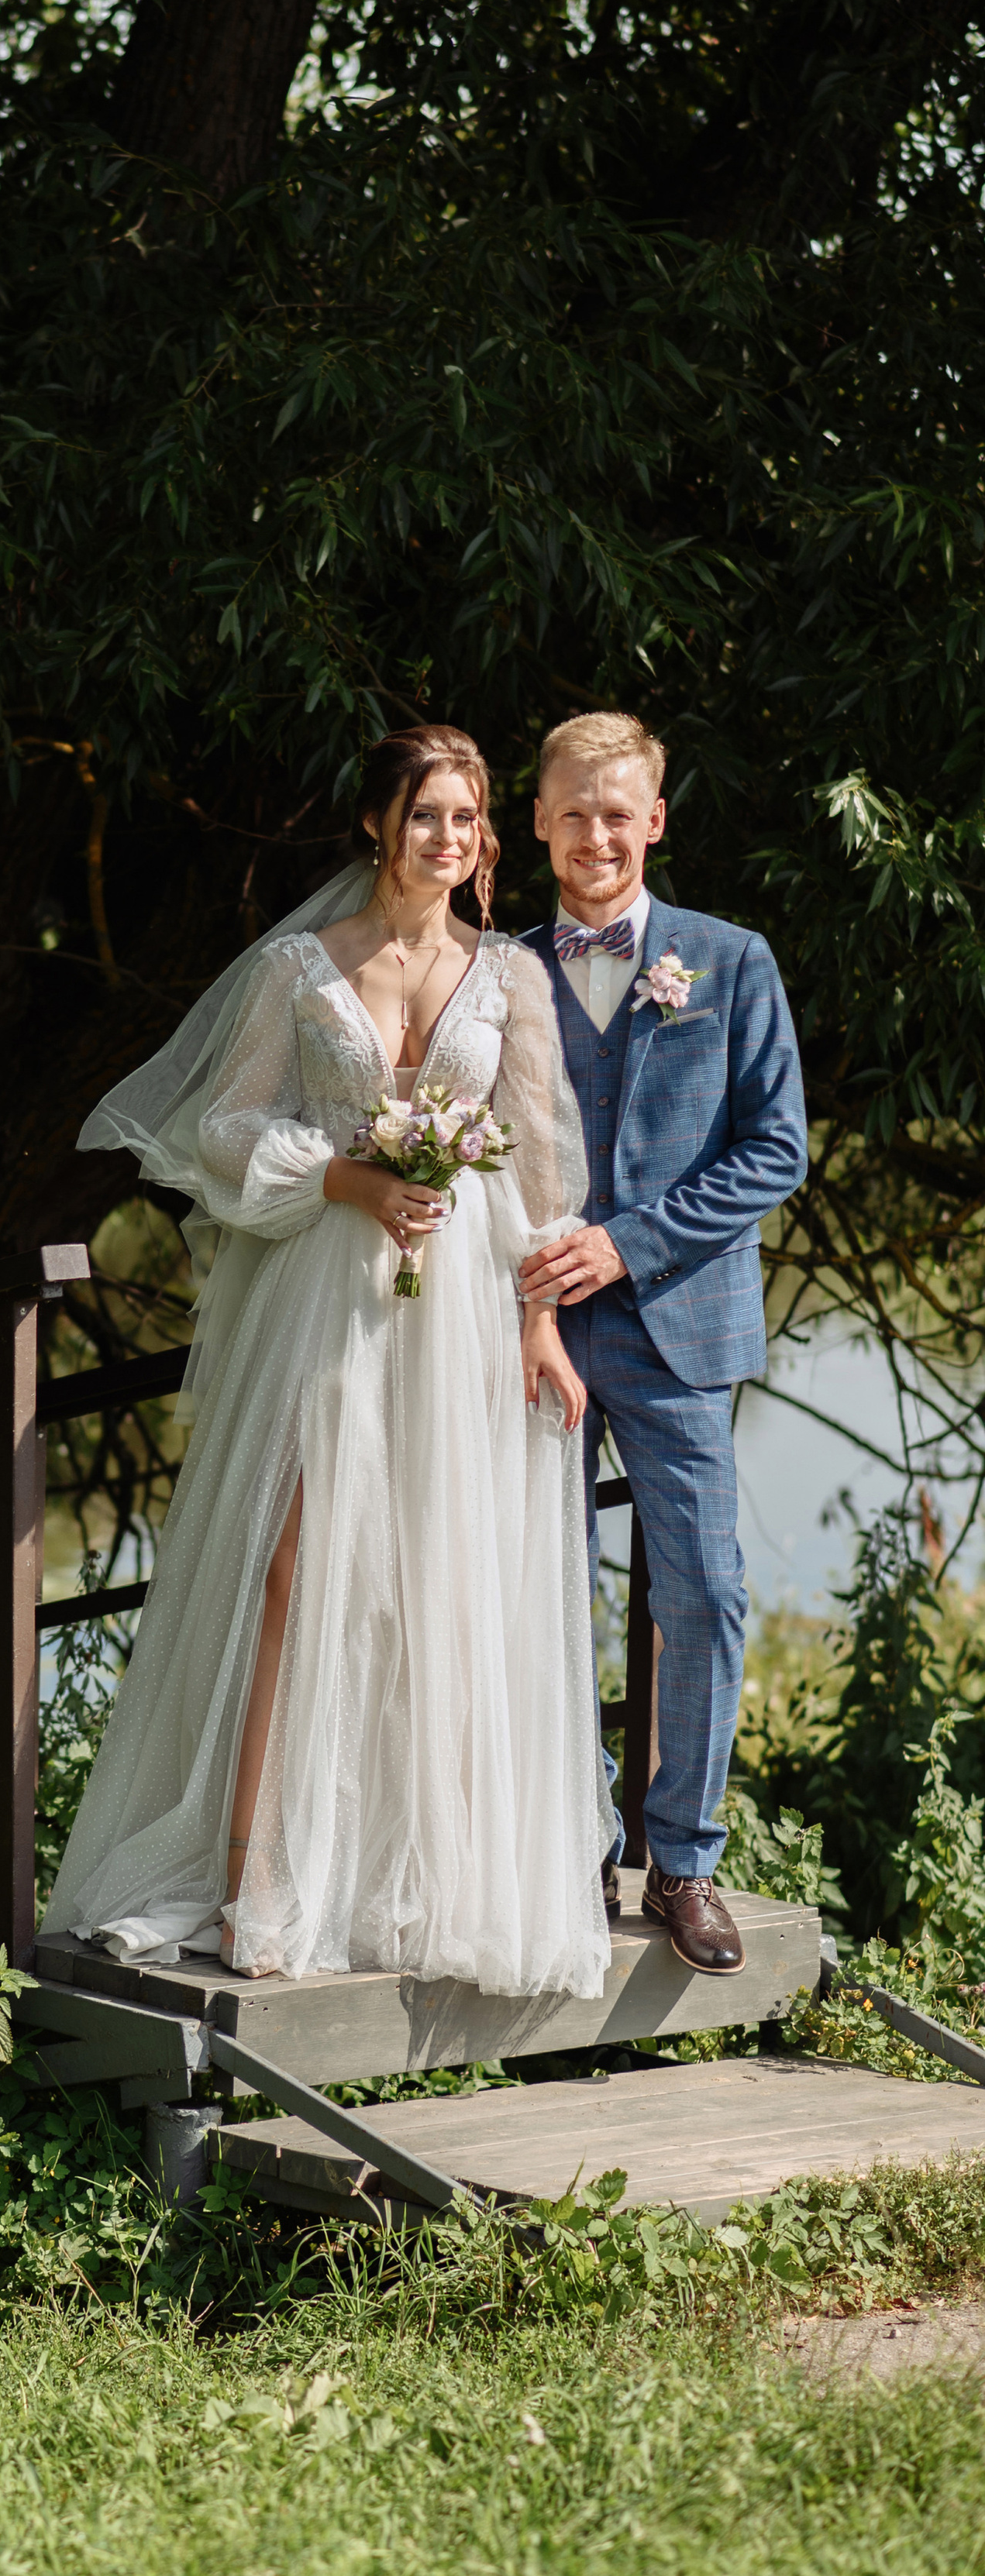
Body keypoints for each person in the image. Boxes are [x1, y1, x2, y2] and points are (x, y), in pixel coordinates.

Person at [44, 726, 613, 1997]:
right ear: (377, 822)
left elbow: (537, 1168)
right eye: (427, 815)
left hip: (461, 1303)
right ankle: (254, 1877)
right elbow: (226, 1126)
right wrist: (348, 1176)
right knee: (294, 1569)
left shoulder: (509, 977)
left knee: (434, 1578)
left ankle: (412, 1879)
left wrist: (538, 1327)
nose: (450, 839)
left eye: (467, 819)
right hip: (332, 1293)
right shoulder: (302, 968)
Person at [517, 713, 807, 1976]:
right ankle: (570, 1845)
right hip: (529, 1337)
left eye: (618, 811)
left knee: (706, 1593)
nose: (596, 834)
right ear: (538, 819)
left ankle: (682, 1861)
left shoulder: (729, 962)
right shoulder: (497, 968)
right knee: (537, 1597)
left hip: (680, 1327)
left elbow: (775, 1148)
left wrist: (631, 1243)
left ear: (657, 819)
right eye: (573, 811)